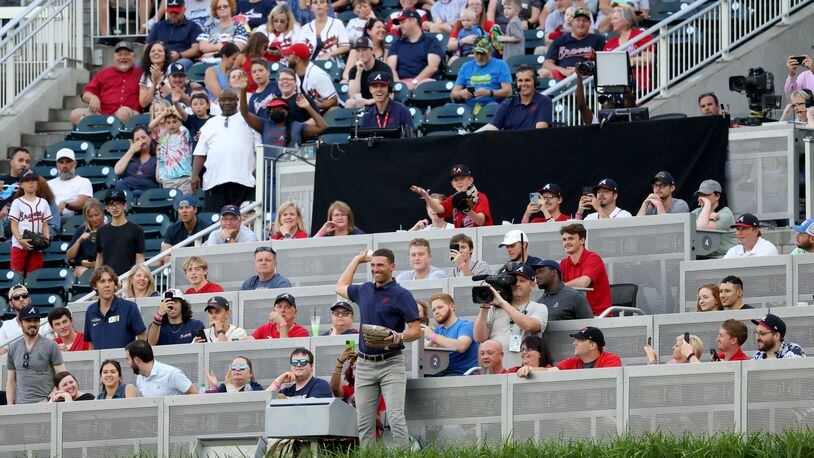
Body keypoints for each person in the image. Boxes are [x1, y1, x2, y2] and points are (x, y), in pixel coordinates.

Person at [335, 248, 422, 447]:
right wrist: (357, 260)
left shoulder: (401, 294)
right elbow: (340, 286)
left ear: (392, 267)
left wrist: (398, 336)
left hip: (391, 362)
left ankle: (402, 453)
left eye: (380, 265)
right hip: (364, 364)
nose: (375, 269)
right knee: (364, 422)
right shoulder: (364, 289)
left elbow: (416, 330)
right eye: (373, 265)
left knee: (395, 417)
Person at [191, 88, 260, 212]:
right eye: (223, 100)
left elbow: (260, 149)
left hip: (244, 180)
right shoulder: (209, 124)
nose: (227, 103)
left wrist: (257, 170)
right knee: (216, 222)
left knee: (245, 221)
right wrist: (195, 175)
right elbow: (200, 153)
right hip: (215, 181)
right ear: (219, 102)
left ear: (237, 101)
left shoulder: (248, 121)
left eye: (231, 99)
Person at [473, 262, 548, 368]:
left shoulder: (539, 307)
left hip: (523, 371)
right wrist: (484, 306)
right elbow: (479, 338)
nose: (517, 284)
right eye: (513, 281)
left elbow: (529, 325)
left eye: (522, 281)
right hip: (496, 371)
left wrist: (503, 303)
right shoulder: (494, 308)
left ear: (532, 285)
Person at [237, 76, 328, 148]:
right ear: (269, 112)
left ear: (286, 112)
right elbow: (245, 113)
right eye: (272, 108)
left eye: (280, 108)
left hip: (291, 170)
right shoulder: (264, 125)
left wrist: (308, 107)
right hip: (270, 170)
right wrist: (243, 90)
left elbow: (323, 127)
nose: (276, 110)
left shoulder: (297, 127)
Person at [5, 305, 67, 405]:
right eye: (28, 321)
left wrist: (48, 399)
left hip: (47, 405)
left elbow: (63, 378)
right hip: (21, 406)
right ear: (20, 323)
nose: (33, 324)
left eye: (36, 320)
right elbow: (11, 380)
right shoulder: (13, 348)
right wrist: (10, 405)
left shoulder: (51, 345)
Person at [69, 41, 141, 124]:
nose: (123, 57)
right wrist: (92, 97)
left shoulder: (140, 74)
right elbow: (86, 93)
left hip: (130, 114)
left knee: (123, 113)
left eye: (126, 54)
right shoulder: (104, 73)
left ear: (133, 57)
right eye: (119, 55)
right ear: (114, 57)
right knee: (75, 115)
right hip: (103, 115)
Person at [410, 164, 494, 228]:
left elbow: (481, 221)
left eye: (462, 178)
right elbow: (438, 209)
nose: (459, 182)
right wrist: (426, 196)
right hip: (464, 242)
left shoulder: (480, 196)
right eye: (456, 180)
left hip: (482, 240)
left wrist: (468, 210)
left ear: (470, 180)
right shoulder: (453, 199)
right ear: (453, 184)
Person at [84, 266, 148, 350]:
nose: (107, 285)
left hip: (125, 362)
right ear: (95, 286)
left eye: (110, 281)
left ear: (115, 285)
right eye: (102, 281)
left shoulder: (130, 307)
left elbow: (143, 339)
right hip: (100, 362)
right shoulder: (90, 311)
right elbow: (91, 344)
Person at [559, 223, 611, 316]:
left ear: (582, 240)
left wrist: (561, 287)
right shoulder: (564, 263)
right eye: (564, 239)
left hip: (598, 316)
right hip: (574, 316)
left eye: (571, 238)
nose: (566, 242)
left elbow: (584, 283)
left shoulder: (593, 258)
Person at [479, 65, 553, 131]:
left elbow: (540, 129)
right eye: (520, 80)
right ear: (516, 83)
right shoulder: (507, 104)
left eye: (527, 80)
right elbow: (493, 127)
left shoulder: (545, 102)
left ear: (535, 82)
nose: (523, 84)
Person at [423, 293, 479, 376]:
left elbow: (462, 346)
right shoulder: (438, 331)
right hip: (439, 375)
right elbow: (424, 350)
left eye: (440, 307)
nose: (436, 312)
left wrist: (433, 337)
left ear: (451, 307)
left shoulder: (465, 326)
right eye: (434, 310)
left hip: (461, 377)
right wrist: (431, 342)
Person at [386, 9, 443, 90]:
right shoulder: (396, 44)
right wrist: (398, 84)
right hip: (401, 83)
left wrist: (414, 83)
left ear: (414, 21)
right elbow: (391, 68)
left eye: (402, 22)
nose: (399, 26)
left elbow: (432, 67)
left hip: (423, 82)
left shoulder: (431, 41)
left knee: (428, 83)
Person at [541, 8, 605, 81]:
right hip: (562, 76)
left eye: (585, 21)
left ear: (590, 23)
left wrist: (581, 69)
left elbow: (603, 63)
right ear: (572, 22)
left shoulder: (598, 40)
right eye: (578, 20)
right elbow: (547, 63)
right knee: (542, 73)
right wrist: (562, 70)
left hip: (587, 76)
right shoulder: (560, 40)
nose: (581, 23)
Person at [8, 169, 51, 274]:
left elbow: (45, 224)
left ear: (37, 183)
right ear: (21, 184)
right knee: (16, 275)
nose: (31, 182)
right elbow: (13, 225)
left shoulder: (43, 202)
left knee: (33, 276)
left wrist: (47, 238)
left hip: (37, 244)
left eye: (33, 180)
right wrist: (19, 240)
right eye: (27, 180)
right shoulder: (17, 202)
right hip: (19, 245)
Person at [95, 189, 145, 276]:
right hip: (108, 281)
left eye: (118, 203)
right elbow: (99, 258)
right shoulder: (101, 231)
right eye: (111, 204)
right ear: (107, 208)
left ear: (125, 205)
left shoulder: (137, 230)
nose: (114, 207)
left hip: (129, 280)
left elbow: (140, 259)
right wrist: (97, 279)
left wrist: (136, 278)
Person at [451, 38, 512, 107]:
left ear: (490, 52)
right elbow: (453, 93)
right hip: (470, 106)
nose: (479, 57)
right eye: (477, 53)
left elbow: (508, 91)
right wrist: (461, 93)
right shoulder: (466, 66)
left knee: (492, 106)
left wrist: (490, 93)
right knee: (449, 106)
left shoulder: (501, 65)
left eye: (482, 53)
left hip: (492, 106)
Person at [125, 339, 199, 396]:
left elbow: (195, 394)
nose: (127, 363)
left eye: (128, 359)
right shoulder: (139, 378)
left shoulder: (172, 374)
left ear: (136, 360)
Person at [602, 6, 653, 89]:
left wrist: (622, 60)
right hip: (615, 85)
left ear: (626, 20)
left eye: (615, 19)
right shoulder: (610, 43)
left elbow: (648, 59)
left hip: (638, 85)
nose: (612, 22)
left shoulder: (641, 35)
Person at [150, 105, 194, 196]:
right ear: (165, 124)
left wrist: (174, 111)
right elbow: (151, 126)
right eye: (168, 122)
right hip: (168, 178)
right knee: (171, 205)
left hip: (184, 177)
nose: (171, 124)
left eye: (174, 122)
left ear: (179, 122)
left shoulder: (184, 133)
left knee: (184, 202)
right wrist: (164, 113)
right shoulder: (163, 137)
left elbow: (183, 118)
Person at [283, 43, 339, 113]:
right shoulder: (294, 74)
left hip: (324, 112)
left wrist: (311, 106)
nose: (286, 58)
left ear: (297, 59)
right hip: (308, 112)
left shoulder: (318, 76)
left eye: (289, 55)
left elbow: (333, 100)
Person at [146, 0, 202, 70]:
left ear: (184, 10)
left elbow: (196, 50)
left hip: (183, 58)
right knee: (141, 66)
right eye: (170, 12)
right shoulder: (158, 26)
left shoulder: (193, 26)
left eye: (176, 12)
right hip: (160, 57)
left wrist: (179, 55)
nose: (173, 15)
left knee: (176, 67)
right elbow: (147, 47)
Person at [358, 71, 415, 138]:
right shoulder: (367, 115)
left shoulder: (402, 111)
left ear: (389, 89)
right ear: (370, 89)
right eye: (375, 86)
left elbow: (410, 140)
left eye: (382, 86)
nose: (379, 89)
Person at [0, 285, 51, 356]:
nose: (21, 299)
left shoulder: (44, 323)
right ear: (11, 303)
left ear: (29, 299)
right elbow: (1, 351)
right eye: (16, 297)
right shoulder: (6, 326)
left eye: (24, 296)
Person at [692, 179, 737, 258]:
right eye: (700, 195)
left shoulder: (726, 213)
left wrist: (707, 203)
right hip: (702, 257)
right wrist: (709, 217)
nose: (701, 198)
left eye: (705, 194)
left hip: (723, 257)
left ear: (717, 196)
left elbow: (701, 227)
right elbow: (687, 227)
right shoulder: (697, 212)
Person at [346, 37, 393, 108]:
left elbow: (390, 96)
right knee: (350, 102)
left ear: (372, 51)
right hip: (362, 105)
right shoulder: (354, 70)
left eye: (364, 50)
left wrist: (368, 101)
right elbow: (353, 96)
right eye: (358, 51)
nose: (361, 54)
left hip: (379, 104)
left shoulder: (384, 68)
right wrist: (358, 73)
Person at [298, 0, 350, 65]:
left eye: (322, 2)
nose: (318, 4)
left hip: (333, 66)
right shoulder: (305, 28)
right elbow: (300, 49)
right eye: (315, 2)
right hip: (310, 66)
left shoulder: (337, 23)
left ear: (328, 6)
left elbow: (345, 46)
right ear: (311, 8)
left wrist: (329, 54)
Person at [47, 149, 94, 222]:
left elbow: (82, 203)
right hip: (50, 216)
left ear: (75, 164)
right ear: (57, 164)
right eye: (61, 162)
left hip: (70, 219)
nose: (64, 166)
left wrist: (66, 204)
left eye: (68, 162)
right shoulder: (49, 184)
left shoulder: (84, 181)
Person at [113, 126, 159, 198]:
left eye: (143, 137)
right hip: (127, 189)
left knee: (136, 193)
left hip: (146, 191)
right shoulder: (130, 157)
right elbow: (117, 171)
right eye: (137, 139)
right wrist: (131, 150)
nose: (141, 141)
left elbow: (159, 178)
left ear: (149, 138)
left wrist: (159, 157)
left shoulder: (156, 157)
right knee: (119, 184)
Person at [161, 196, 209, 263]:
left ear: (195, 210)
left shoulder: (206, 228)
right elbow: (163, 255)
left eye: (187, 207)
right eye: (181, 208)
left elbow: (208, 255)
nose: (184, 211)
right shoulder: (172, 229)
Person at [268, 348, 333, 397]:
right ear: (291, 366)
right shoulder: (287, 392)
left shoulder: (321, 385)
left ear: (311, 365)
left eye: (303, 362)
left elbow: (311, 409)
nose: (298, 365)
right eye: (295, 362)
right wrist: (279, 380)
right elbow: (266, 399)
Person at [66, 199, 104, 277]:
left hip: (103, 269)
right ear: (86, 217)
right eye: (90, 216)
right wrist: (79, 241)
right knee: (81, 271)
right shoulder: (81, 231)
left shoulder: (108, 230)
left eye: (97, 215)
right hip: (83, 269)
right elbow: (68, 256)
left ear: (102, 213)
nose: (94, 219)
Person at [555, 326, 622, 370]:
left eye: (579, 340)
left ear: (592, 346)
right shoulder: (571, 362)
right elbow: (550, 371)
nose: (574, 343)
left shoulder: (611, 360)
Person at [0, 148, 31, 237]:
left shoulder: (32, 183)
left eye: (27, 161)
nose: (24, 164)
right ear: (11, 162)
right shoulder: (1, 180)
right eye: (20, 160)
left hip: (21, 220)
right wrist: (2, 206)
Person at [137, 41, 171, 109]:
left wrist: (160, 81)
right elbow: (143, 103)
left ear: (165, 56)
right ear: (149, 56)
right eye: (153, 51)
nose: (156, 53)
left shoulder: (171, 70)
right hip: (154, 111)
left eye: (160, 51)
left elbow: (173, 98)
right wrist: (154, 84)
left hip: (170, 109)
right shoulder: (145, 75)